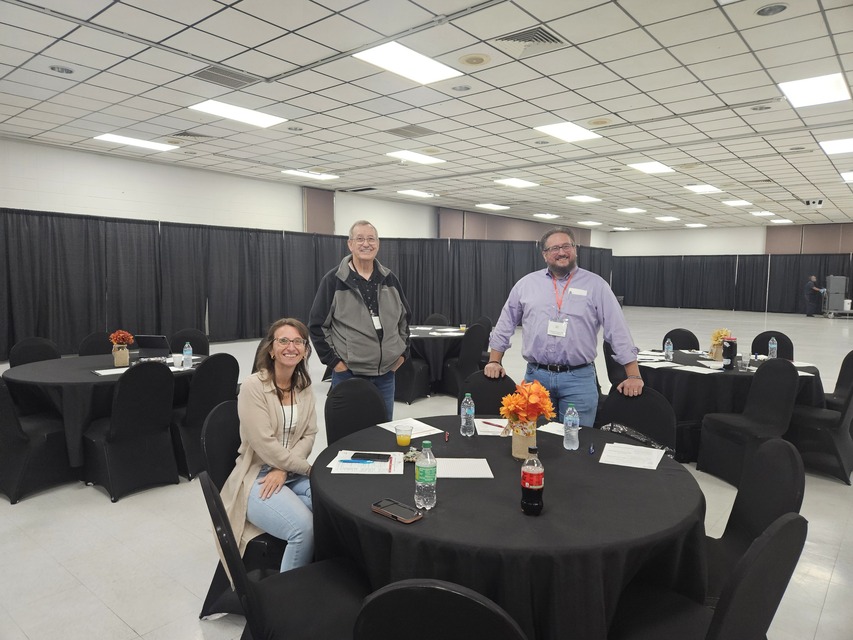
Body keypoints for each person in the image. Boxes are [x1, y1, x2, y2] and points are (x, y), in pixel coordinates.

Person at [485, 227, 643, 427]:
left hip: (579, 380)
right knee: (536, 438)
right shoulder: (526, 284)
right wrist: (494, 361)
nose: (561, 252)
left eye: (566, 246)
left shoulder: (596, 285)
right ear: (545, 254)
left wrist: (633, 375)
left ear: (575, 249)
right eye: (555, 248)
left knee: (576, 439)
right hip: (536, 378)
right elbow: (505, 323)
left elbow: (617, 330)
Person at [220, 318, 317, 572]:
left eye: (298, 341)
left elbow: (309, 435)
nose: (291, 347)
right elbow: (265, 444)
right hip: (257, 476)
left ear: (305, 350)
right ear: (271, 349)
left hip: (288, 472)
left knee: (330, 505)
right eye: (283, 340)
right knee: (304, 528)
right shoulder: (253, 386)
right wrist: (307, 469)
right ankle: (288, 593)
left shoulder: (304, 387)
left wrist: (284, 469)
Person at [309, 220, 410, 420]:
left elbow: (404, 319)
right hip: (349, 374)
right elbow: (317, 326)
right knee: (349, 429)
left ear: (378, 244)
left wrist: (402, 355)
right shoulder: (334, 280)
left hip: (386, 375)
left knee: (383, 429)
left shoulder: (390, 279)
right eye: (360, 239)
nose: (366, 244)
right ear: (350, 244)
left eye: (371, 239)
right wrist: (335, 363)